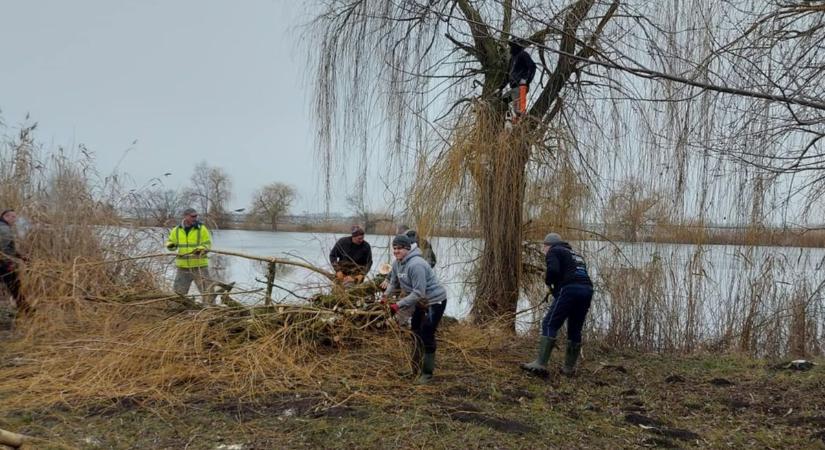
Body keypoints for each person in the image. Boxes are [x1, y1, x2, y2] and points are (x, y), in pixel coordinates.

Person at [521, 233, 593, 377]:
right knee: (575, 328)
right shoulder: (576, 255)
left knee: (549, 324)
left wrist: (548, 282)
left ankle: (540, 363)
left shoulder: (554, 251)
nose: (543, 250)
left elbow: (553, 270)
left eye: (544, 247)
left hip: (570, 289)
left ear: (548, 245)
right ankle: (568, 368)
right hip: (587, 290)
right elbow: (573, 273)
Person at [382, 234, 448, 384]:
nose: (396, 251)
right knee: (415, 333)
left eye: (399, 249)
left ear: (407, 249)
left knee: (426, 334)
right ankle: (414, 370)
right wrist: (385, 297)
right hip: (420, 302)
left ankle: (427, 373)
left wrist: (398, 305)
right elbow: (393, 283)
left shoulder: (416, 264)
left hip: (434, 301)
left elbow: (419, 292)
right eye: (394, 249)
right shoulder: (397, 263)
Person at [165, 208, 215, 304]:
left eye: (196, 216)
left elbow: (207, 244)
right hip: (183, 268)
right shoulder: (176, 230)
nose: (195, 218)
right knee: (178, 295)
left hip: (199, 267)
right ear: (185, 216)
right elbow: (170, 243)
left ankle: (211, 312)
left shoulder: (202, 229)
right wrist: (171, 246)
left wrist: (200, 250)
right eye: (193, 216)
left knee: (208, 293)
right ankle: (176, 313)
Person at [0, 209, 29, 314]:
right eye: (13, 217)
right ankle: (27, 310)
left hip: (3, 262)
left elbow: (8, 247)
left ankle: (26, 309)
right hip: (4, 264)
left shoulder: (3, 227)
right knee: (15, 286)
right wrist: (8, 263)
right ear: (6, 217)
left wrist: (20, 256)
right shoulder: (4, 229)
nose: (15, 219)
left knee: (15, 286)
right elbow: (3, 249)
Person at [501, 37, 537, 115]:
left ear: (516, 46)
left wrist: (525, 80)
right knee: (502, 101)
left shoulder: (523, 54)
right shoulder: (512, 59)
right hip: (513, 87)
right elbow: (507, 75)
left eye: (512, 46)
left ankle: (521, 123)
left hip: (521, 87)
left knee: (518, 110)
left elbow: (532, 67)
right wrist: (500, 87)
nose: (511, 48)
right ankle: (508, 119)